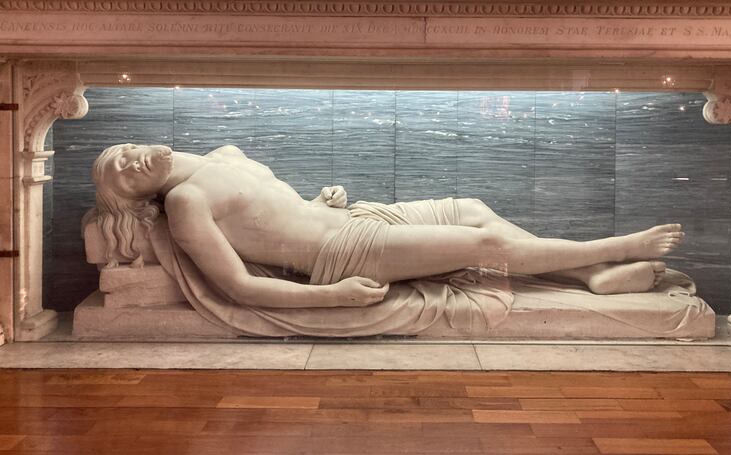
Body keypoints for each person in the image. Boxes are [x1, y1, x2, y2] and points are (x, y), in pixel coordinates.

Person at [92, 143, 683, 309]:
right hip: (343, 255)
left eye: (122, 153)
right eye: (123, 176)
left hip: (351, 217)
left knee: (473, 207)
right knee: (485, 243)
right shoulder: (186, 202)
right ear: (138, 197)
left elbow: (270, 216)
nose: (131, 163)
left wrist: (320, 199)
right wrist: (331, 295)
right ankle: (617, 245)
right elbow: (238, 288)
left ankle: (590, 275)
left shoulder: (224, 154)